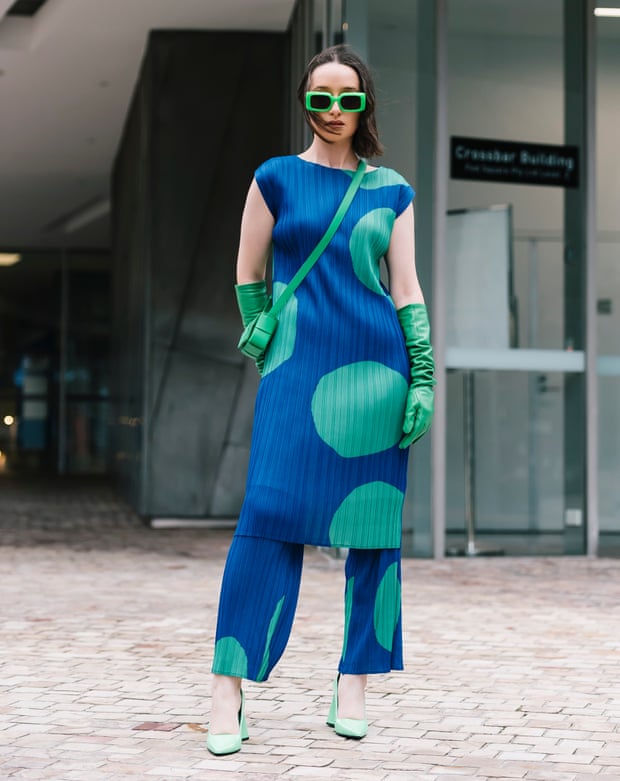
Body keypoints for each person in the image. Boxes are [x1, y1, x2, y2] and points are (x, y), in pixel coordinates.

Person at [207, 43, 435, 756]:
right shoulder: (274, 178)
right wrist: (260, 335)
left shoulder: (391, 189)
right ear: (306, 102)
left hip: (377, 370)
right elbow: (248, 271)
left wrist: (423, 372)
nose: (333, 110)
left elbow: (405, 286)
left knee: (373, 536)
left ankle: (355, 681)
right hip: (295, 372)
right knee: (266, 521)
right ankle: (227, 689)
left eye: (348, 98)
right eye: (320, 97)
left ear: (365, 104)